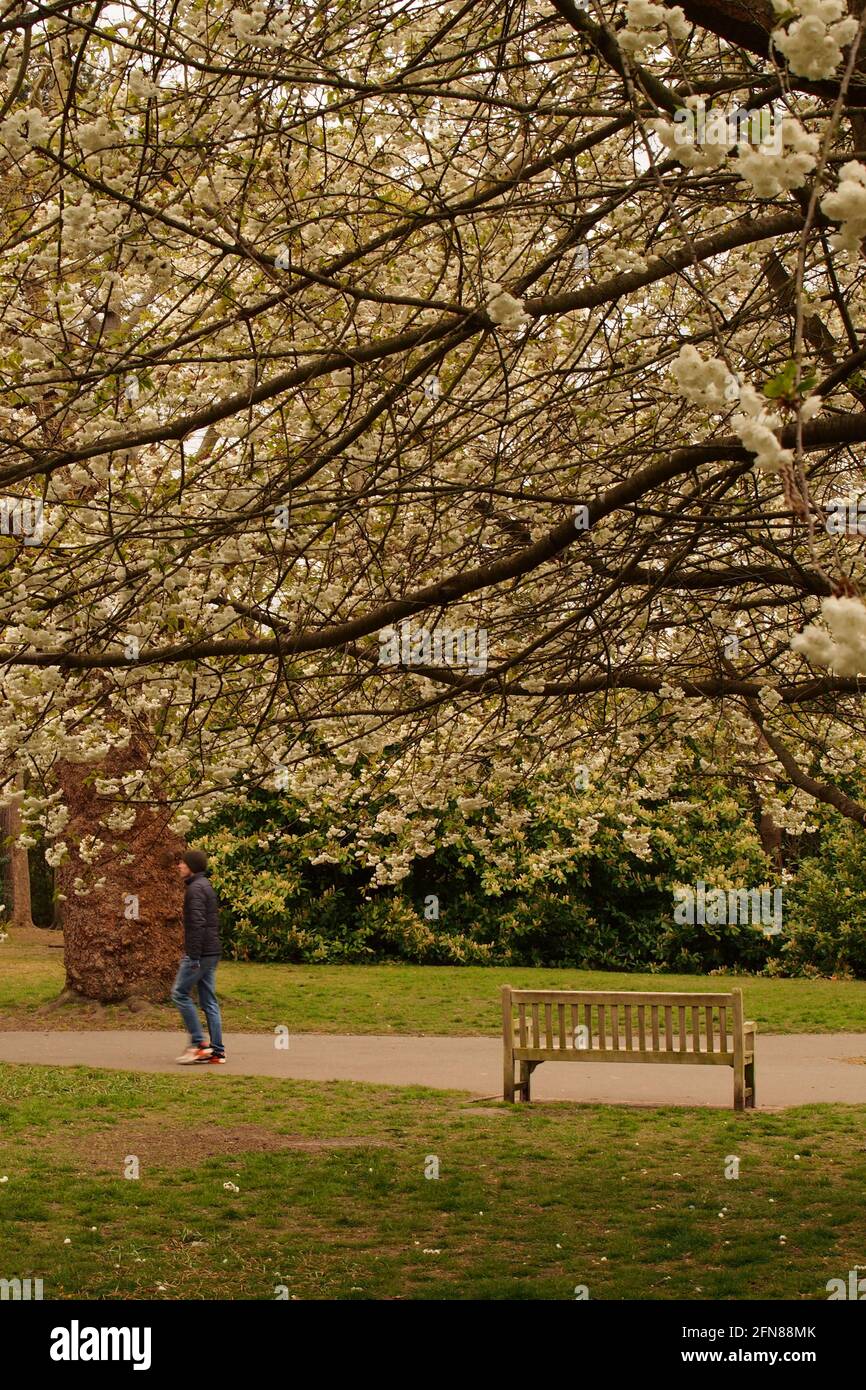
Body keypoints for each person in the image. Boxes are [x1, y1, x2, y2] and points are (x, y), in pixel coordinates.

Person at [172, 850, 225, 1064]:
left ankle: (199, 1043)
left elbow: (197, 925)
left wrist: (193, 957)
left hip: (200, 953)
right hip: (212, 951)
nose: (179, 866)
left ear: (191, 866)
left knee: (179, 993)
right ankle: (217, 1051)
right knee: (208, 1000)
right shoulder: (206, 886)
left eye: (182, 863)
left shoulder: (194, 889)